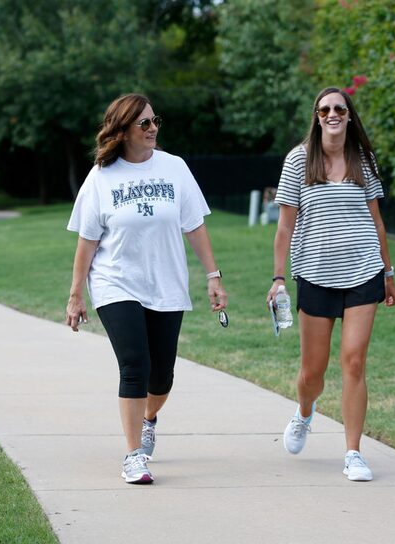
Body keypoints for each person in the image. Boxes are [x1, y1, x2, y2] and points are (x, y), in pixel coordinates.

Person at [66, 93, 228, 484]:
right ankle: (133, 454)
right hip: (115, 282)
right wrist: (76, 293)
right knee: (135, 365)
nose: (152, 128)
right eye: (144, 124)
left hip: (166, 283)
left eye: (156, 121)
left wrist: (213, 276)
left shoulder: (175, 168)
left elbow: (195, 224)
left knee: (162, 376)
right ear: (122, 131)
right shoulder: (101, 177)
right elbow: (87, 240)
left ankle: (149, 418)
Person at [268, 87, 395, 482]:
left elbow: (376, 221)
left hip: (363, 272)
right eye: (325, 109)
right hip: (316, 274)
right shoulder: (298, 160)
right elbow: (286, 226)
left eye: (339, 108)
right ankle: (305, 412)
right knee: (313, 372)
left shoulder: (363, 159)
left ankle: (354, 453)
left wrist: (388, 273)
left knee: (355, 361)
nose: (332, 114)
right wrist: (278, 279)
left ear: (349, 115)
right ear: (316, 116)